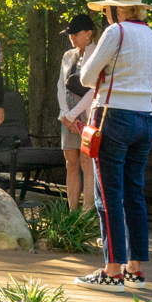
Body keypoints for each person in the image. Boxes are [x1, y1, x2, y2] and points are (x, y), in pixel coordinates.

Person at [73, 0, 152, 293]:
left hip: (114, 116)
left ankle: (111, 271)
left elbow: (85, 78)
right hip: (146, 118)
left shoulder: (116, 33)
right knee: (134, 193)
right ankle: (135, 268)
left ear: (113, 9)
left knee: (108, 195)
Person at [56, 14, 98, 210]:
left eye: (76, 33)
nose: (72, 37)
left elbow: (94, 90)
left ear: (89, 33)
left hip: (87, 113)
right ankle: (72, 211)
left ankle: (87, 211)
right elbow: (60, 86)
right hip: (67, 115)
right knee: (70, 162)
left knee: (86, 161)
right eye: (70, 34)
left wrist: (73, 115)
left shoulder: (98, 53)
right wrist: (65, 114)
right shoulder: (67, 55)